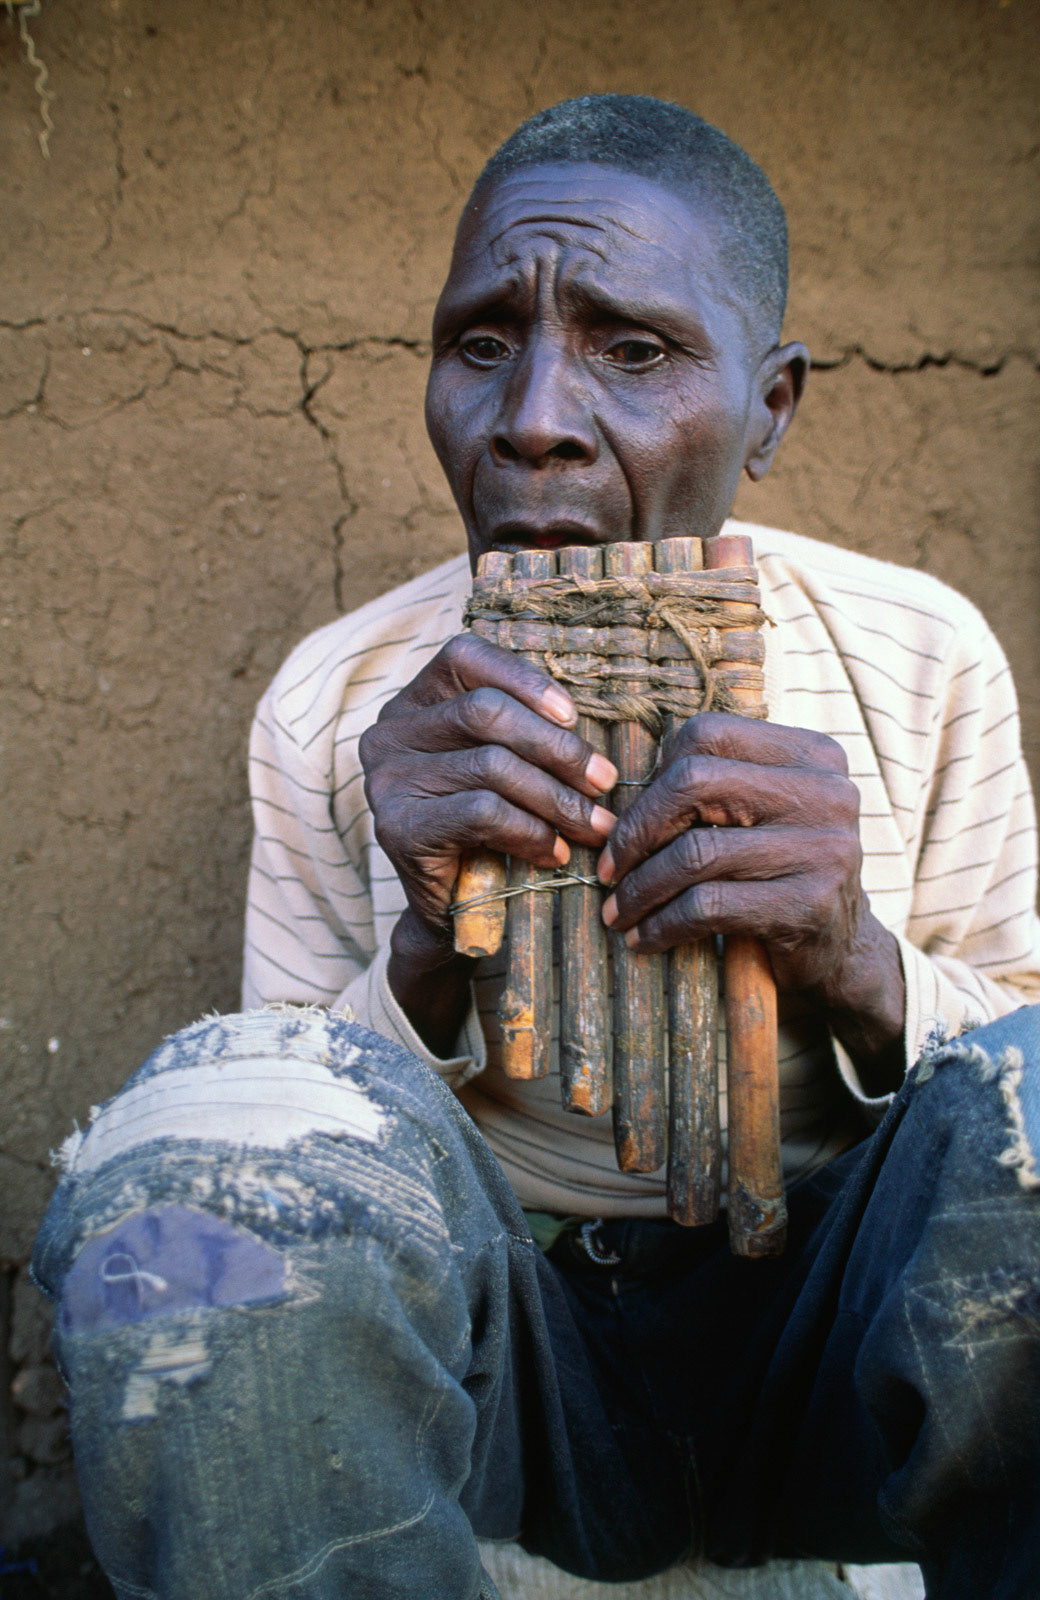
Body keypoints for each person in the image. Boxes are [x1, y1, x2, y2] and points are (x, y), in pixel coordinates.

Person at [33, 96, 1040, 1600]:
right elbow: (293, 1117)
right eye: (484, 341)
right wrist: (428, 950)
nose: (533, 419)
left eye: (633, 351)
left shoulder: (921, 653)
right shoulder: (337, 702)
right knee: (205, 1156)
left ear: (769, 406)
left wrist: (861, 963)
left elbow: (1005, 1069)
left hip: (837, 1335)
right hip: (513, 1352)